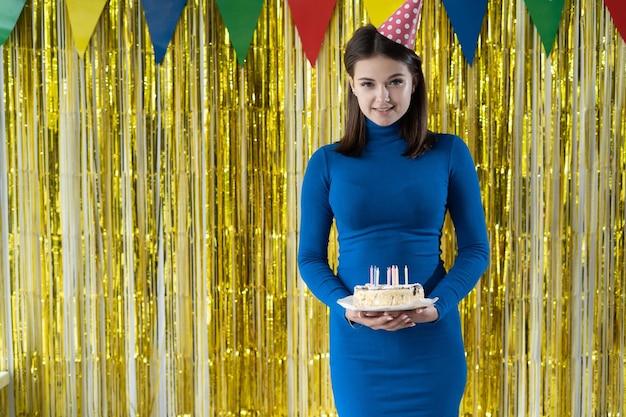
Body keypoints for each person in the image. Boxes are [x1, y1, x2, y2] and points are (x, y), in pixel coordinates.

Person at [297, 1, 490, 415]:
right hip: (359, 352)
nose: (381, 97)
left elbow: (476, 249)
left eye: (394, 82)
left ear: (414, 81)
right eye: (368, 83)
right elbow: (310, 258)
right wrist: (347, 308)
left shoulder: (449, 153)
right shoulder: (326, 163)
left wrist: (436, 307)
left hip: (432, 348)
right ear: (351, 84)